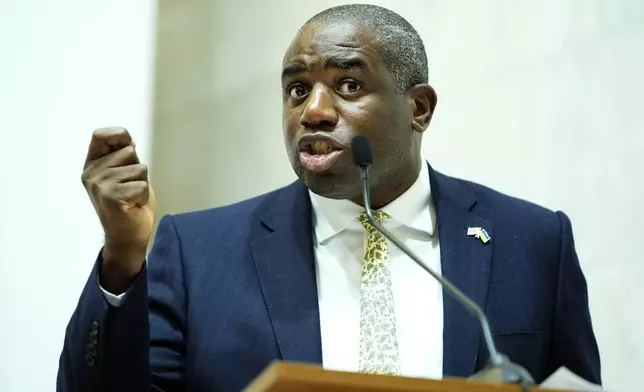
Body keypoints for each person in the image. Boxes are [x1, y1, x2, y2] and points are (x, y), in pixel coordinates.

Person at [57, 4, 601, 392]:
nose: (313, 110)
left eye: (348, 86)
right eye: (297, 89)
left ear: (420, 109)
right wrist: (124, 256)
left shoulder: (532, 242)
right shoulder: (198, 252)